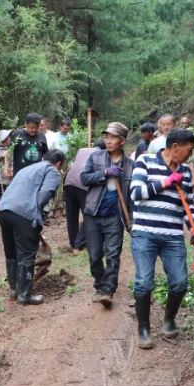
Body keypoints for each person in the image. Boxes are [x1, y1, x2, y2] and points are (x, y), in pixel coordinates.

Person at [130, 128, 194, 349]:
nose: (189, 156)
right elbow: (136, 194)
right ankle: (144, 329)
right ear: (174, 147)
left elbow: (189, 204)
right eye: (187, 151)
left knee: (179, 282)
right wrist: (166, 182)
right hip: (144, 234)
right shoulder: (145, 160)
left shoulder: (186, 171)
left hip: (173, 236)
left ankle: (169, 320)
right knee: (143, 282)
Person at [0, 150, 66, 305]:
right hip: (24, 212)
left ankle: (14, 290)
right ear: (59, 163)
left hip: (3, 210)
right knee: (27, 255)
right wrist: (37, 215)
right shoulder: (53, 171)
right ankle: (25, 295)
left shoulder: (27, 169)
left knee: (12, 253)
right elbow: (45, 194)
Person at [80, 123, 132, 308]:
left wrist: (131, 221)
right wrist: (104, 173)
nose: (108, 140)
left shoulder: (130, 166)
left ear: (122, 141)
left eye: (113, 137)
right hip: (93, 214)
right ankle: (100, 285)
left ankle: (108, 290)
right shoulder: (96, 157)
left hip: (114, 217)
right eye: (106, 137)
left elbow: (131, 196)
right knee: (94, 255)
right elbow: (84, 178)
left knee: (113, 254)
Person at [63, 140, 99, 251]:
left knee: (71, 216)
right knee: (89, 215)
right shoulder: (101, 154)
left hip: (69, 183)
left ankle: (73, 242)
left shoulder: (82, 150)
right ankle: (80, 243)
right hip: (83, 186)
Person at [4, 113, 48, 178]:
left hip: (36, 174)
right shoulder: (17, 134)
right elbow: (9, 152)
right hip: (20, 174)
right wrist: (6, 167)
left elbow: (46, 154)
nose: (34, 130)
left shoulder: (42, 136)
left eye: (36, 128)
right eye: (31, 128)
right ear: (25, 124)